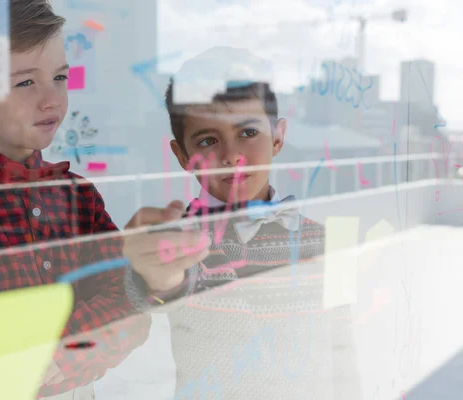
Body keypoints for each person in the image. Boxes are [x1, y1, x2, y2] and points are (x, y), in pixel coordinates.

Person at [0, 1, 208, 399]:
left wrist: (51, 355)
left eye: (59, 77)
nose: (52, 100)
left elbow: (136, 310)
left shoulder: (78, 194)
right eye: (25, 82)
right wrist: (98, 329)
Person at [127, 47, 362, 399]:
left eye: (248, 133)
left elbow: (344, 355)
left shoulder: (328, 240)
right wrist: (153, 276)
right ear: (182, 156)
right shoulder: (179, 241)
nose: (231, 156)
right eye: (208, 141)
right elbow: (156, 290)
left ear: (278, 138)